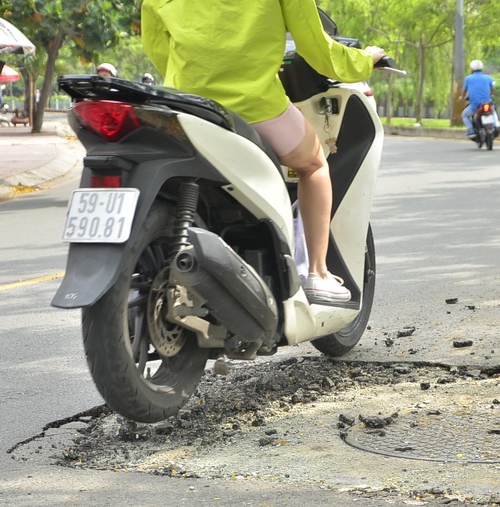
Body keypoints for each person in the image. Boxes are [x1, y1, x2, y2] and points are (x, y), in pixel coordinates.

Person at [142, 0, 386, 304]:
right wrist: (365, 61)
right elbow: (319, 51)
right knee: (314, 165)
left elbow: (159, 53)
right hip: (257, 107)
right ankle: (319, 274)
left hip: (189, 109)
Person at [459, 59, 500, 139]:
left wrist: (462, 97)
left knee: (464, 115)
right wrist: (490, 94)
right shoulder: (488, 77)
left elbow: (464, 90)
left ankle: (471, 130)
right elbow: (492, 90)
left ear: (472, 69)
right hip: (487, 102)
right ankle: (497, 125)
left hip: (475, 105)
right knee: (493, 111)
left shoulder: (468, 78)